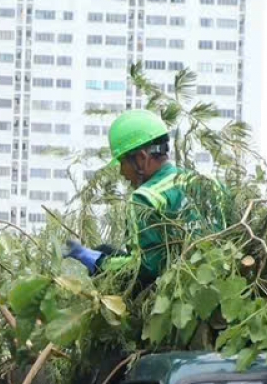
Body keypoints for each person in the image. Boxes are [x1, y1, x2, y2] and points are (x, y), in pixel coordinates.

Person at [68, 109, 199, 293]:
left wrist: (99, 262)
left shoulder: (145, 199)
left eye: (123, 163)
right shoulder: (206, 184)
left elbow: (145, 268)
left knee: (104, 260)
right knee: (106, 249)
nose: (122, 172)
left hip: (172, 292)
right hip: (204, 282)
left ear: (141, 158)